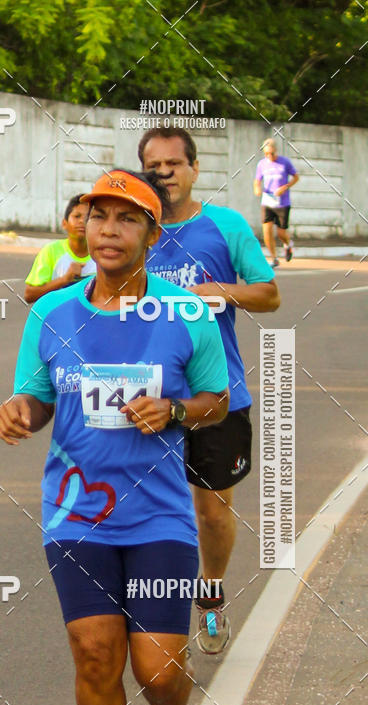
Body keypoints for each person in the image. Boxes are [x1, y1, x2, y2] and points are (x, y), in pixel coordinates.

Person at [0, 169, 229, 705]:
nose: (108, 230)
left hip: (159, 517)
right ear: (82, 227)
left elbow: (216, 399)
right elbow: (37, 400)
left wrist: (178, 410)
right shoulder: (53, 314)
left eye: (126, 219)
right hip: (76, 513)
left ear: (152, 236)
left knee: (157, 671)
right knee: (94, 654)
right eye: (98, 216)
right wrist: (20, 410)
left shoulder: (187, 314)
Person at [138, 126, 280, 655]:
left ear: (194, 169)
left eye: (175, 164)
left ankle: (212, 590)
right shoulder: (135, 230)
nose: (166, 174)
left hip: (219, 396)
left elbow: (269, 295)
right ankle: (158, 617)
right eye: (155, 166)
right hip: (146, 400)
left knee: (212, 514)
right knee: (152, 514)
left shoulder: (225, 226)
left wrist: (219, 291)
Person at [23, 195, 96, 303]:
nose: (82, 221)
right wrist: (65, 279)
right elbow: (29, 295)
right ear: (64, 223)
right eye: (77, 216)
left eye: (87, 217)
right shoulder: (51, 251)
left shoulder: (102, 254)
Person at [253, 138, 299, 268]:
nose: (270, 156)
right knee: (266, 230)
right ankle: (274, 258)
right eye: (267, 154)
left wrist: (285, 187)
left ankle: (288, 244)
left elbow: (296, 177)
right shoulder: (262, 164)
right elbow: (257, 180)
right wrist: (257, 188)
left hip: (282, 203)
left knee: (281, 233)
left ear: (276, 150)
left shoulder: (284, 163)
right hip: (267, 201)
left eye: (272, 153)